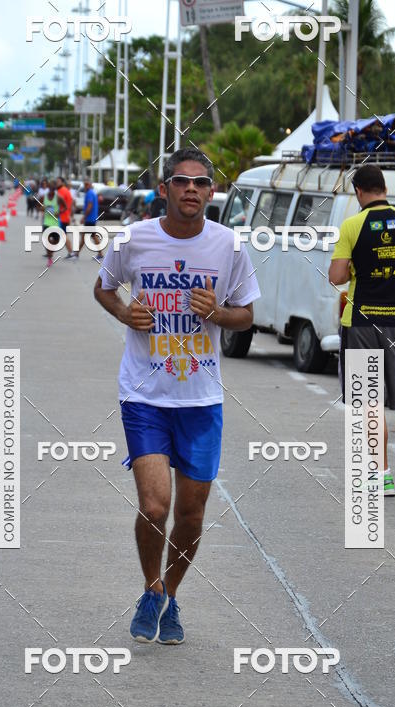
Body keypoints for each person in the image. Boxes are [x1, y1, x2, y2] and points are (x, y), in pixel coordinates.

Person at [94, 148, 260, 644]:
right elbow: (104, 289)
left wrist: (218, 313)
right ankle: (150, 585)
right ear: (163, 188)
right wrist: (125, 313)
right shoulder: (133, 239)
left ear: (211, 192)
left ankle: (168, 593)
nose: (192, 189)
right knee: (154, 506)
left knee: (191, 514)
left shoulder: (228, 247)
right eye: (182, 181)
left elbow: (246, 314)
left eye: (202, 182)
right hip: (144, 393)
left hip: (201, 399)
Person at [328, 163, 395, 497]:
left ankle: (381, 477)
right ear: (384, 188)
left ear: (359, 192)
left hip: (361, 322)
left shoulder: (352, 225)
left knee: (369, 404)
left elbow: (336, 276)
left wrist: (364, 272)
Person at [81, 177, 103, 261]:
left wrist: (84, 217)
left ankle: (76, 253)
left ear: (90, 185)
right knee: (90, 236)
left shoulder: (90, 193)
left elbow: (89, 206)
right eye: (84, 184)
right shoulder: (92, 192)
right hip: (91, 218)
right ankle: (76, 253)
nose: (85, 186)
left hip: (90, 219)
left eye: (87, 184)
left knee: (90, 236)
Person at [55, 175, 75, 258]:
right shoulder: (65, 190)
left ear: (62, 183)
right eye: (56, 181)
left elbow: (59, 204)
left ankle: (71, 253)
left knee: (63, 235)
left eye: (58, 181)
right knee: (62, 235)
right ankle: (70, 252)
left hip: (62, 217)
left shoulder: (62, 191)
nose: (57, 183)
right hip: (65, 216)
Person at [42, 180, 59, 266]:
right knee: (47, 241)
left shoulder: (58, 197)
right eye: (51, 188)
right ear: (49, 188)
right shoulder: (44, 197)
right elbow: (38, 205)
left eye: (53, 189)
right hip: (46, 222)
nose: (52, 190)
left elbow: (65, 207)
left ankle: (51, 252)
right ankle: (49, 258)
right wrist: (42, 209)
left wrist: (58, 213)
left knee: (56, 241)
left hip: (55, 223)